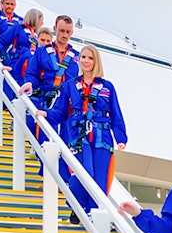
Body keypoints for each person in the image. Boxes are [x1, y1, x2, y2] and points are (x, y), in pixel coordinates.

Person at [43, 44, 126, 220]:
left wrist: (120, 137)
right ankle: (77, 204)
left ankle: (93, 215)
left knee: (100, 180)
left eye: (90, 58)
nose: (86, 61)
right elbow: (61, 111)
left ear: (96, 61)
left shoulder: (108, 87)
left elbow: (116, 113)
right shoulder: (70, 85)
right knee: (83, 172)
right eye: (83, 57)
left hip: (102, 137)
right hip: (78, 136)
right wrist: (45, 113)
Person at [22, 15, 78, 111]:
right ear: (55, 29)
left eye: (68, 32)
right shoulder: (41, 52)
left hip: (66, 104)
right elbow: (32, 73)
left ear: (72, 33)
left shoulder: (78, 57)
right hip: (43, 99)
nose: (65, 35)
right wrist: (30, 83)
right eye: (62, 30)